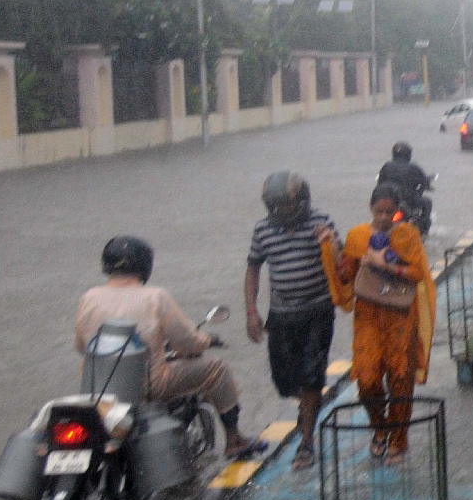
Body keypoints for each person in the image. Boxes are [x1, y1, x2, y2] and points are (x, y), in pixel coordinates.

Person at [76, 236, 258, 459]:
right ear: (144, 264)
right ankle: (234, 439)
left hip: (97, 387)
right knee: (217, 368)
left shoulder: (89, 297)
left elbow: (81, 345)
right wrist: (207, 340)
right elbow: (187, 341)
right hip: (150, 385)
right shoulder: (155, 297)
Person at [323, 182, 436, 466]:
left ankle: (398, 440)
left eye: (390, 212)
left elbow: (417, 273)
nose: (384, 217)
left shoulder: (407, 235)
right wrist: (331, 251)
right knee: (367, 379)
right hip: (368, 318)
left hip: (401, 317)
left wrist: (386, 265)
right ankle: (380, 427)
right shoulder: (358, 236)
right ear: (371, 208)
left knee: (401, 379)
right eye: (379, 211)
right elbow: (346, 276)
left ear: (398, 211)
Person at [246, 171, 337, 471]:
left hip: (317, 311)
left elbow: (341, 263)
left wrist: (329, 243)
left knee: (311, 376)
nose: (282, 212)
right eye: (276, 207)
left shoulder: (320, 221)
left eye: (287, 205)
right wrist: (251, 311)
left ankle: (306, 443)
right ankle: (307, 402)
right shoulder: (263, 230)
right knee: (283, 381)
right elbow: (253, 268)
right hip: (281, 315)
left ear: (301, 201)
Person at [378, 141, 431, 208]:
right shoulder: (413, 167)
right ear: (408, 154)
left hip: (389, 200)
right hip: (409, 200)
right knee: (427, 202)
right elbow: (424, 181)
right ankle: (423, 216)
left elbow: (380, 183)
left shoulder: (386, 166)